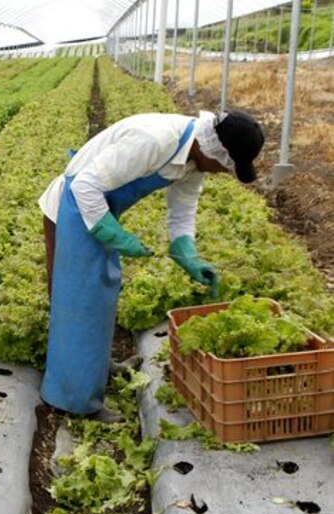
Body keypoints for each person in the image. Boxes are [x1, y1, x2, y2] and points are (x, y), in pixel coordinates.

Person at [38, 110, 265, 421]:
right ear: (215, 150)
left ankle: (96, 368)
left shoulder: (194, 158)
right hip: (74, 207)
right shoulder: (156, 141)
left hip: (97, 208)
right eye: (225, 166)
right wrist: (112, 232)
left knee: (103, 290)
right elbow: (84, 186)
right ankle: (72, 400)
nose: (221, 172)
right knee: (81, 300)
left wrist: (188, 255)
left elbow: (182, 212)